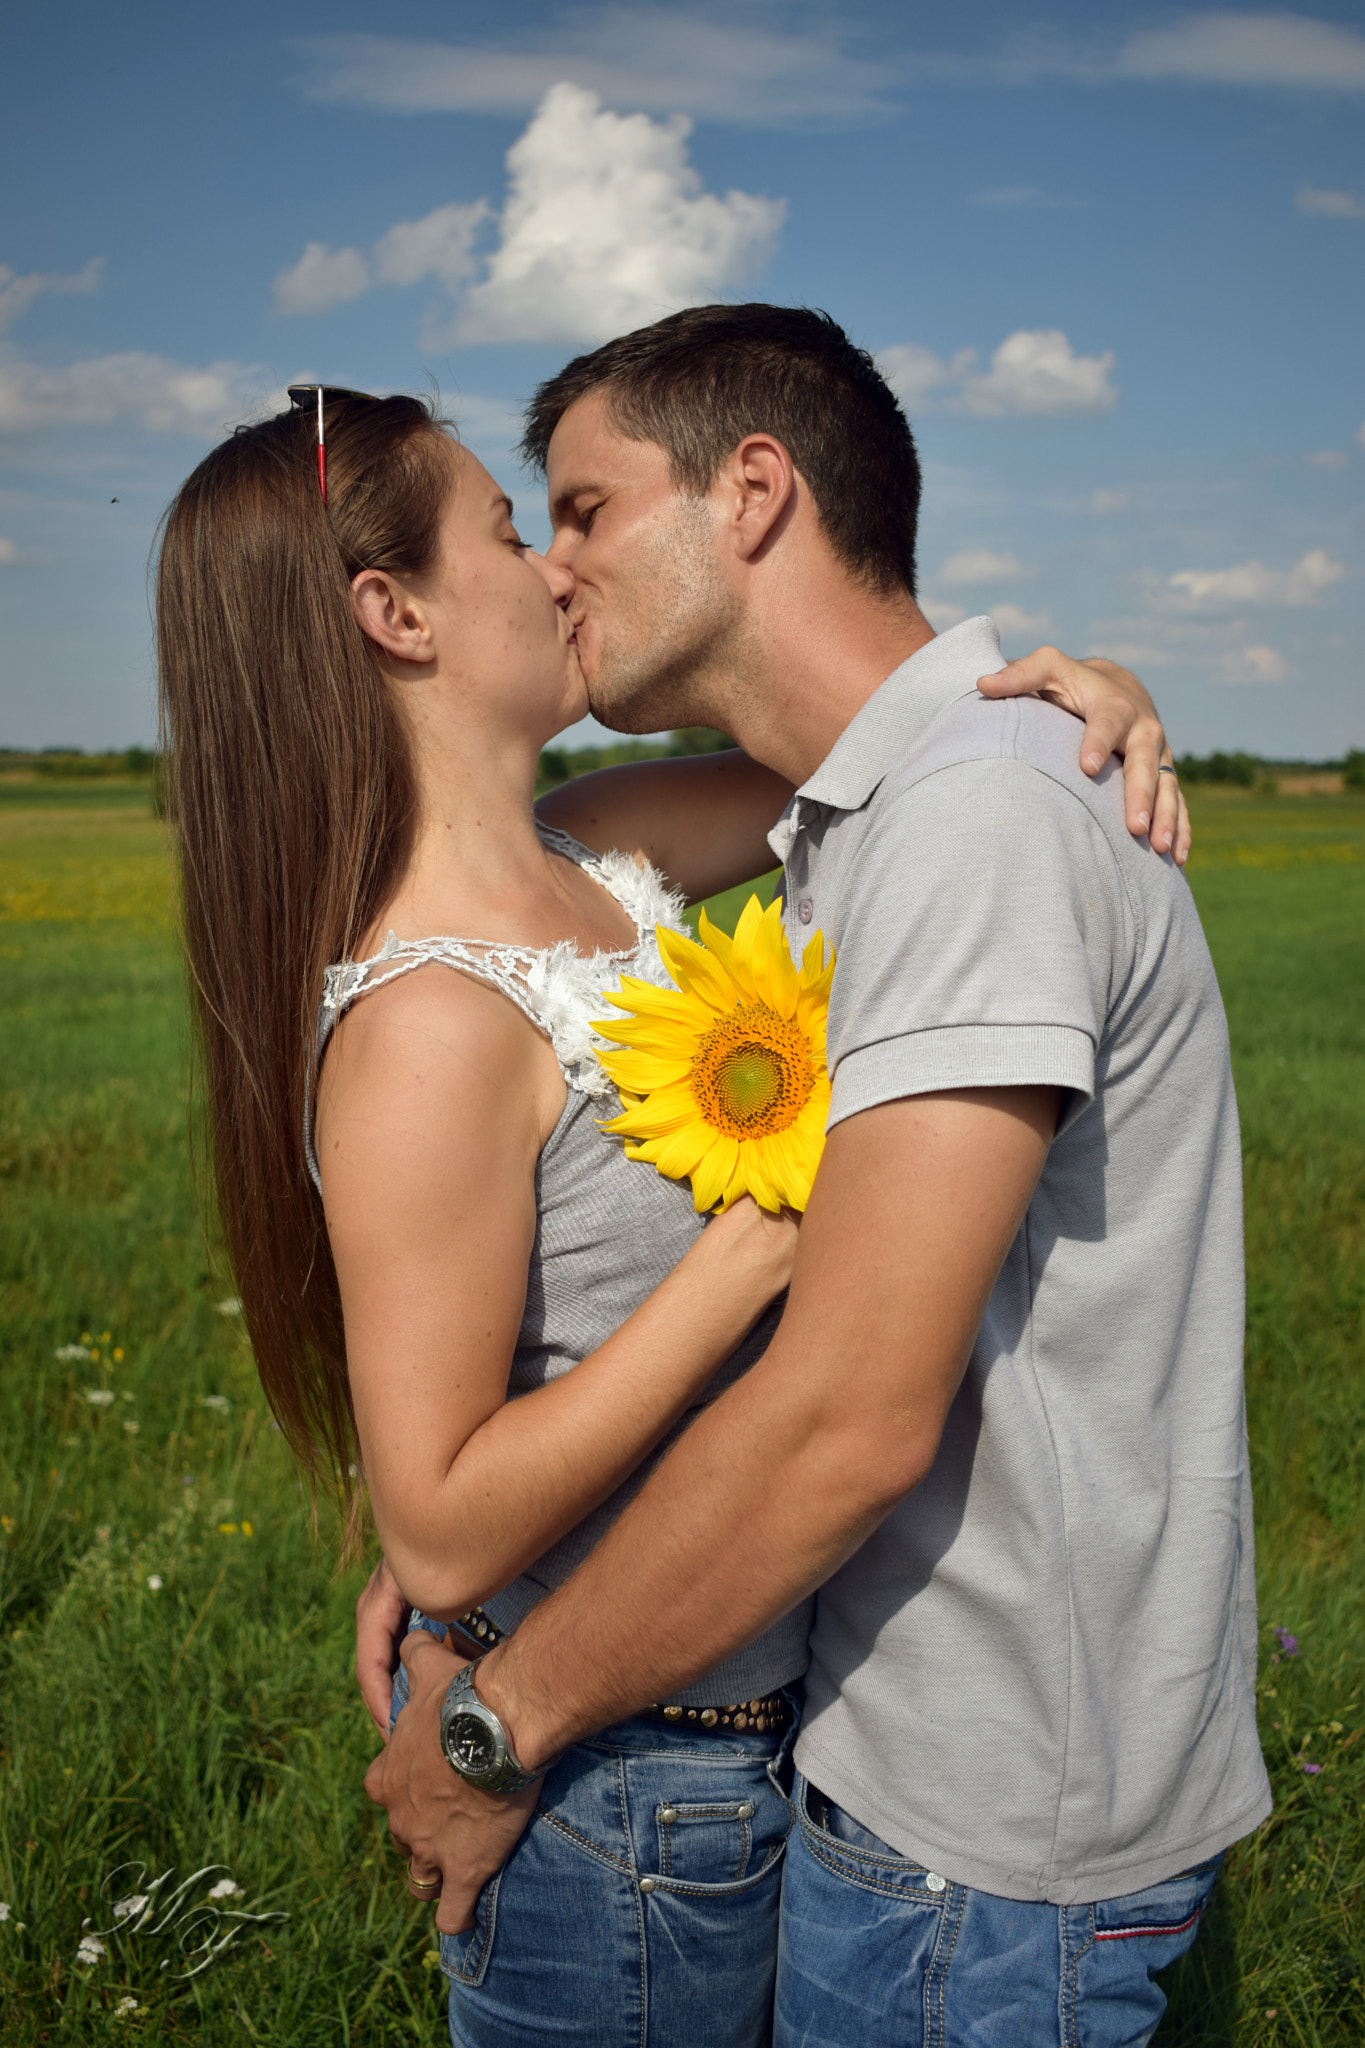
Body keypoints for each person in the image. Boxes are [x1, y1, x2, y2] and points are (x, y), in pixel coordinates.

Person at [362, 305, 1269, 2048]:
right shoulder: (885, 812)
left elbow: (849, 1412)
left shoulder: (978, 819)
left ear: (754, 493)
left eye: (584, 509)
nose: (553, 571)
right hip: (916, 1785)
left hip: (986, 1840)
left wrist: (495, 1725)